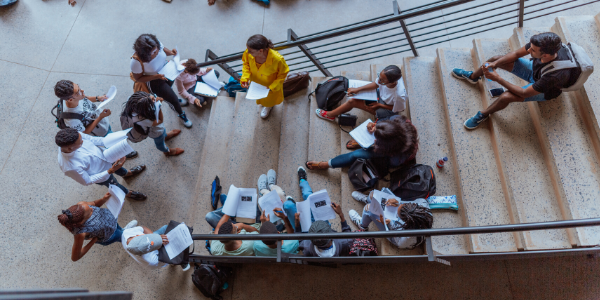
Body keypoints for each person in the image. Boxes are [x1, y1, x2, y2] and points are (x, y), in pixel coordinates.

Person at [452, 32, 581, 130]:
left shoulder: (556, 75)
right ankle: (473, 77)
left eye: (532, 50)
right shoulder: (540, 46)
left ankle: (484, 114)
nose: (528, 50)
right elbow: (515, 54)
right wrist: (495, 63)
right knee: (495, 59)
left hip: (546, 89)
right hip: (536, 71)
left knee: (506, 96)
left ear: (545, 55)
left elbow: (524, 93)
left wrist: (498, 79)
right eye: (530, 47)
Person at [56, 128, 147, 200]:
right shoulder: (69, 166)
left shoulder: (76, 136)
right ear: (69, 149)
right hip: (103, 175)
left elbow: (92, 139)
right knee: (115, 185)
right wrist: (110, 171)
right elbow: (87, 181)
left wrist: (111, 141)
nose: (83, 141)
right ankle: (128, 193)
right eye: (80, 143)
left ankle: (127, 173)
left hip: (107, 157)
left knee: (119, 168)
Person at [54, 80, 137, 159]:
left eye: (78, 86)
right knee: (110, 142)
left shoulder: (75, 97)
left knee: (110, 134)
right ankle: (123, 153)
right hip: (99, 131)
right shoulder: (71, 120)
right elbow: (85, 132)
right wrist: (100, 117)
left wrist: (98, 98)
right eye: (78, 91)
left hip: (101, 123)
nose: (82, 90)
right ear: (70, 99)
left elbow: (84, 98)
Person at [305, 114, 418, 170]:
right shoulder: (397, 119)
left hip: (390, 157)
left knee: (356, 154)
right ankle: (363, 142)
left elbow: (392, 163)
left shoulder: (399, 156)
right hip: (388, 146)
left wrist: (375, 146)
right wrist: (374, 125)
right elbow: (384, 122)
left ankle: (326, 164)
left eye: (377, 140)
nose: (374, 139)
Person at [130, 34, 192, 128]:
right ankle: (181, 113)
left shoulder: (155, 44)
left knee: (169, 90)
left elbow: (163, 50)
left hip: (167, 71)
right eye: (153, 52)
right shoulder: (136, 62)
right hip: (154, 81)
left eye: (157, 49)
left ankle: (172, 100)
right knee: (173, 99)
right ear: (144, 55)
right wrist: (156, 76)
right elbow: (139, 78)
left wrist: (171, 52)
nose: (157, 52)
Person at [316, 65, 407, 122]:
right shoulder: (387, 78)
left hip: (387, 108)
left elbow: (399, 109)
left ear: (391, 82)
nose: (379, 80)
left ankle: (330, 115)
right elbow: (376, 84)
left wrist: (379, 105)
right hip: (380, 96)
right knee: (358, 94)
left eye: (382, 80)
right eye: (379, 76)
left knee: (352, 102)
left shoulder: (399, 95)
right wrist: (358, 89)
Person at [348, 192, 433, 249]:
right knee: (373, 194)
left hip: (396, 235)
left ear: (405, 222)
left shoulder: (407, 237)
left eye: (398, 214)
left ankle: (362, 225)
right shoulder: (422, 203)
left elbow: (399, 242)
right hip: (403, 223)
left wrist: (388, 223)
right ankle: (368, 199)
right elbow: (405, 204)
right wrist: (398, 203)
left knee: (369, 210)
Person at [58, 193, 123, 261]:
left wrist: (103, 199)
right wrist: (93, 240)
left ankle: (123, 230)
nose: (92, 209)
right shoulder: (80, 233)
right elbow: (75, 257)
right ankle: (128, 235)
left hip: (111, 221)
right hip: (110, 234)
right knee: (122, 236)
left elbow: (94, 203)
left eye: (89, 207)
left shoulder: (81, 205)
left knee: (119, 228)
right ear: (82, 221)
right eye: (89, 213)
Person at [240, 34, 289, 119]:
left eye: (250, 51)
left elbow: (282, 75)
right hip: (256, 85)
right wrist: (245, 78)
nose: (247, 52)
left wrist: (272, 87)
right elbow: (246, 64)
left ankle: (268, 107)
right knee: (261, 99)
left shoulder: (277, 60)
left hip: (269, 88)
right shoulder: (249, 54)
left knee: (269, 100)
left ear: (260, 51)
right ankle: (265, 104)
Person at [121, 92, 184, 156]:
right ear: (143, 110)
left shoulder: (133, 102)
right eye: (153, 101)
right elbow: (160, 120)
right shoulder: (141, 120)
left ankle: (165, 136)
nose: (155, 100)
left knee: (163, 132)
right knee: (160, 144)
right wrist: (159, 106)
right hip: (155, 133)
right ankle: (167, 151)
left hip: (154, 127)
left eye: (152, 98)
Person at [121, 220, 190, 271]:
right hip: (158, 254)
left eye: (140, 236)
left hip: (151, 242)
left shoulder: (129, 234)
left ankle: (123, 230)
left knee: (166, 228)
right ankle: (178, 261)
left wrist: (154, 237)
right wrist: (157, 241)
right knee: (171, 249)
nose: (141, 234)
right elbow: (162, 256)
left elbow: (143, 228)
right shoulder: (151, 260)